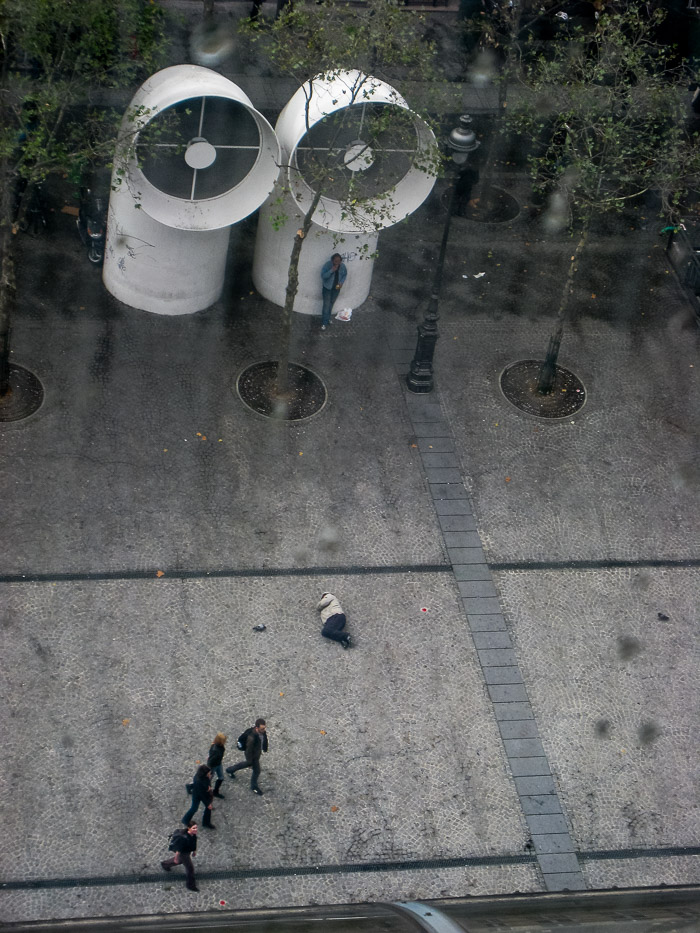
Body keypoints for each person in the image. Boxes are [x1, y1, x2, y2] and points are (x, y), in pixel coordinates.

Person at [226, 718, 268, 795]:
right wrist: (250, 761)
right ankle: (254, 786)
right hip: (253, 757)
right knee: (257, 770)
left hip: (256, 753)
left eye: (264, 728)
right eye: (262, 728)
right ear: (257, 728)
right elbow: (248, 751)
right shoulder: (251, 738)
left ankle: (230, 770)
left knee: (246, 765)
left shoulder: (261, 732)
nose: (264, 730)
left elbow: (264, 739)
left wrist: (264, 748)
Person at [161, 821, 199, 892]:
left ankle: (165, 864)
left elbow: (193, 843)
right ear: (189, 828)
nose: (196, 829)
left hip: (187, 853)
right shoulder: (184, 838)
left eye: (196, 828)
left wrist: (194, 851)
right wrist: (176, 858)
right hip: (184, 854)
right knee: (190, 869)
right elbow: (179, 850)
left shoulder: (193, 835)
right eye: (194, 828)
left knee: (180, 861)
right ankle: (190, 885)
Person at [182, 764, 216, 829]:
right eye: (208, 773)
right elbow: (201, 794)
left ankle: (205, 822)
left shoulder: (200, 777)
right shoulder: (199, 781)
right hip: (199, 795)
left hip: (200, 793)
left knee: (202, 808)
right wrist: (207, 803)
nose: (210, 773)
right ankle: (186, 820)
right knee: (195, 808)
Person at [320, 253, 347, 330]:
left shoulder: (342, 266)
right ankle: (324, 323)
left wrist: (341, 282)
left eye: (339, 261)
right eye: (335, 261)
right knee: (326, 305)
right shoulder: (327, 265)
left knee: (331, 304)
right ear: (332, 260)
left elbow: (344, 274)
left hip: (336, 288)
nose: (337, 263)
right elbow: (323, 276)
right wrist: (331, 270)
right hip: (327, 288)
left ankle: (328, 319)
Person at [207, 732, 227, 799]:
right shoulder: (216, 750)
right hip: (213, 766)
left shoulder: (217, 746)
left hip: (218, 763)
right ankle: (192, 786)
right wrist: (209, 770)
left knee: (221, 777)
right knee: (207, 781)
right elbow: (210, 761)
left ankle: (215, 791)